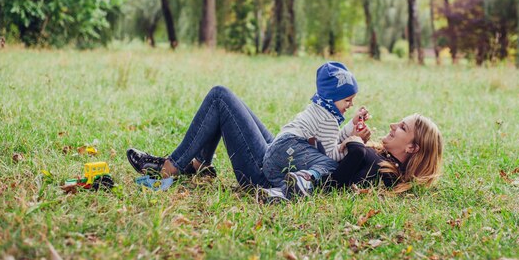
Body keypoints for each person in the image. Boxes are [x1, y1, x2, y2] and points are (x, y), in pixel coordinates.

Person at [126, 87, 443, 198]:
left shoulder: (385, 171)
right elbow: (336, 162)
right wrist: (348, 138)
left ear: (413, 148)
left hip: (269, 176)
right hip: (286, 159)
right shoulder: (383, 162)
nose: (392, 125)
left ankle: (170, 168)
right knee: (230, 104)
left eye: (401, 127)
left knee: (220, 97)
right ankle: (198, 165)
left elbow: (338, 176)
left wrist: (354, 142)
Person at [261, 61, 371, 198]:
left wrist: (351, 125)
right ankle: (306, 177)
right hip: (290, 145)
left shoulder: (320, 109)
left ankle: (279, 193)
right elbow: (330, 154)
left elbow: (331, 140)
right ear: (332, 99)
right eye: (348, 100)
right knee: (330, 165)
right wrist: (354, 143)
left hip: (274, 157)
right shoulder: (327, 119)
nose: (351, 105)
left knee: (292, 186)